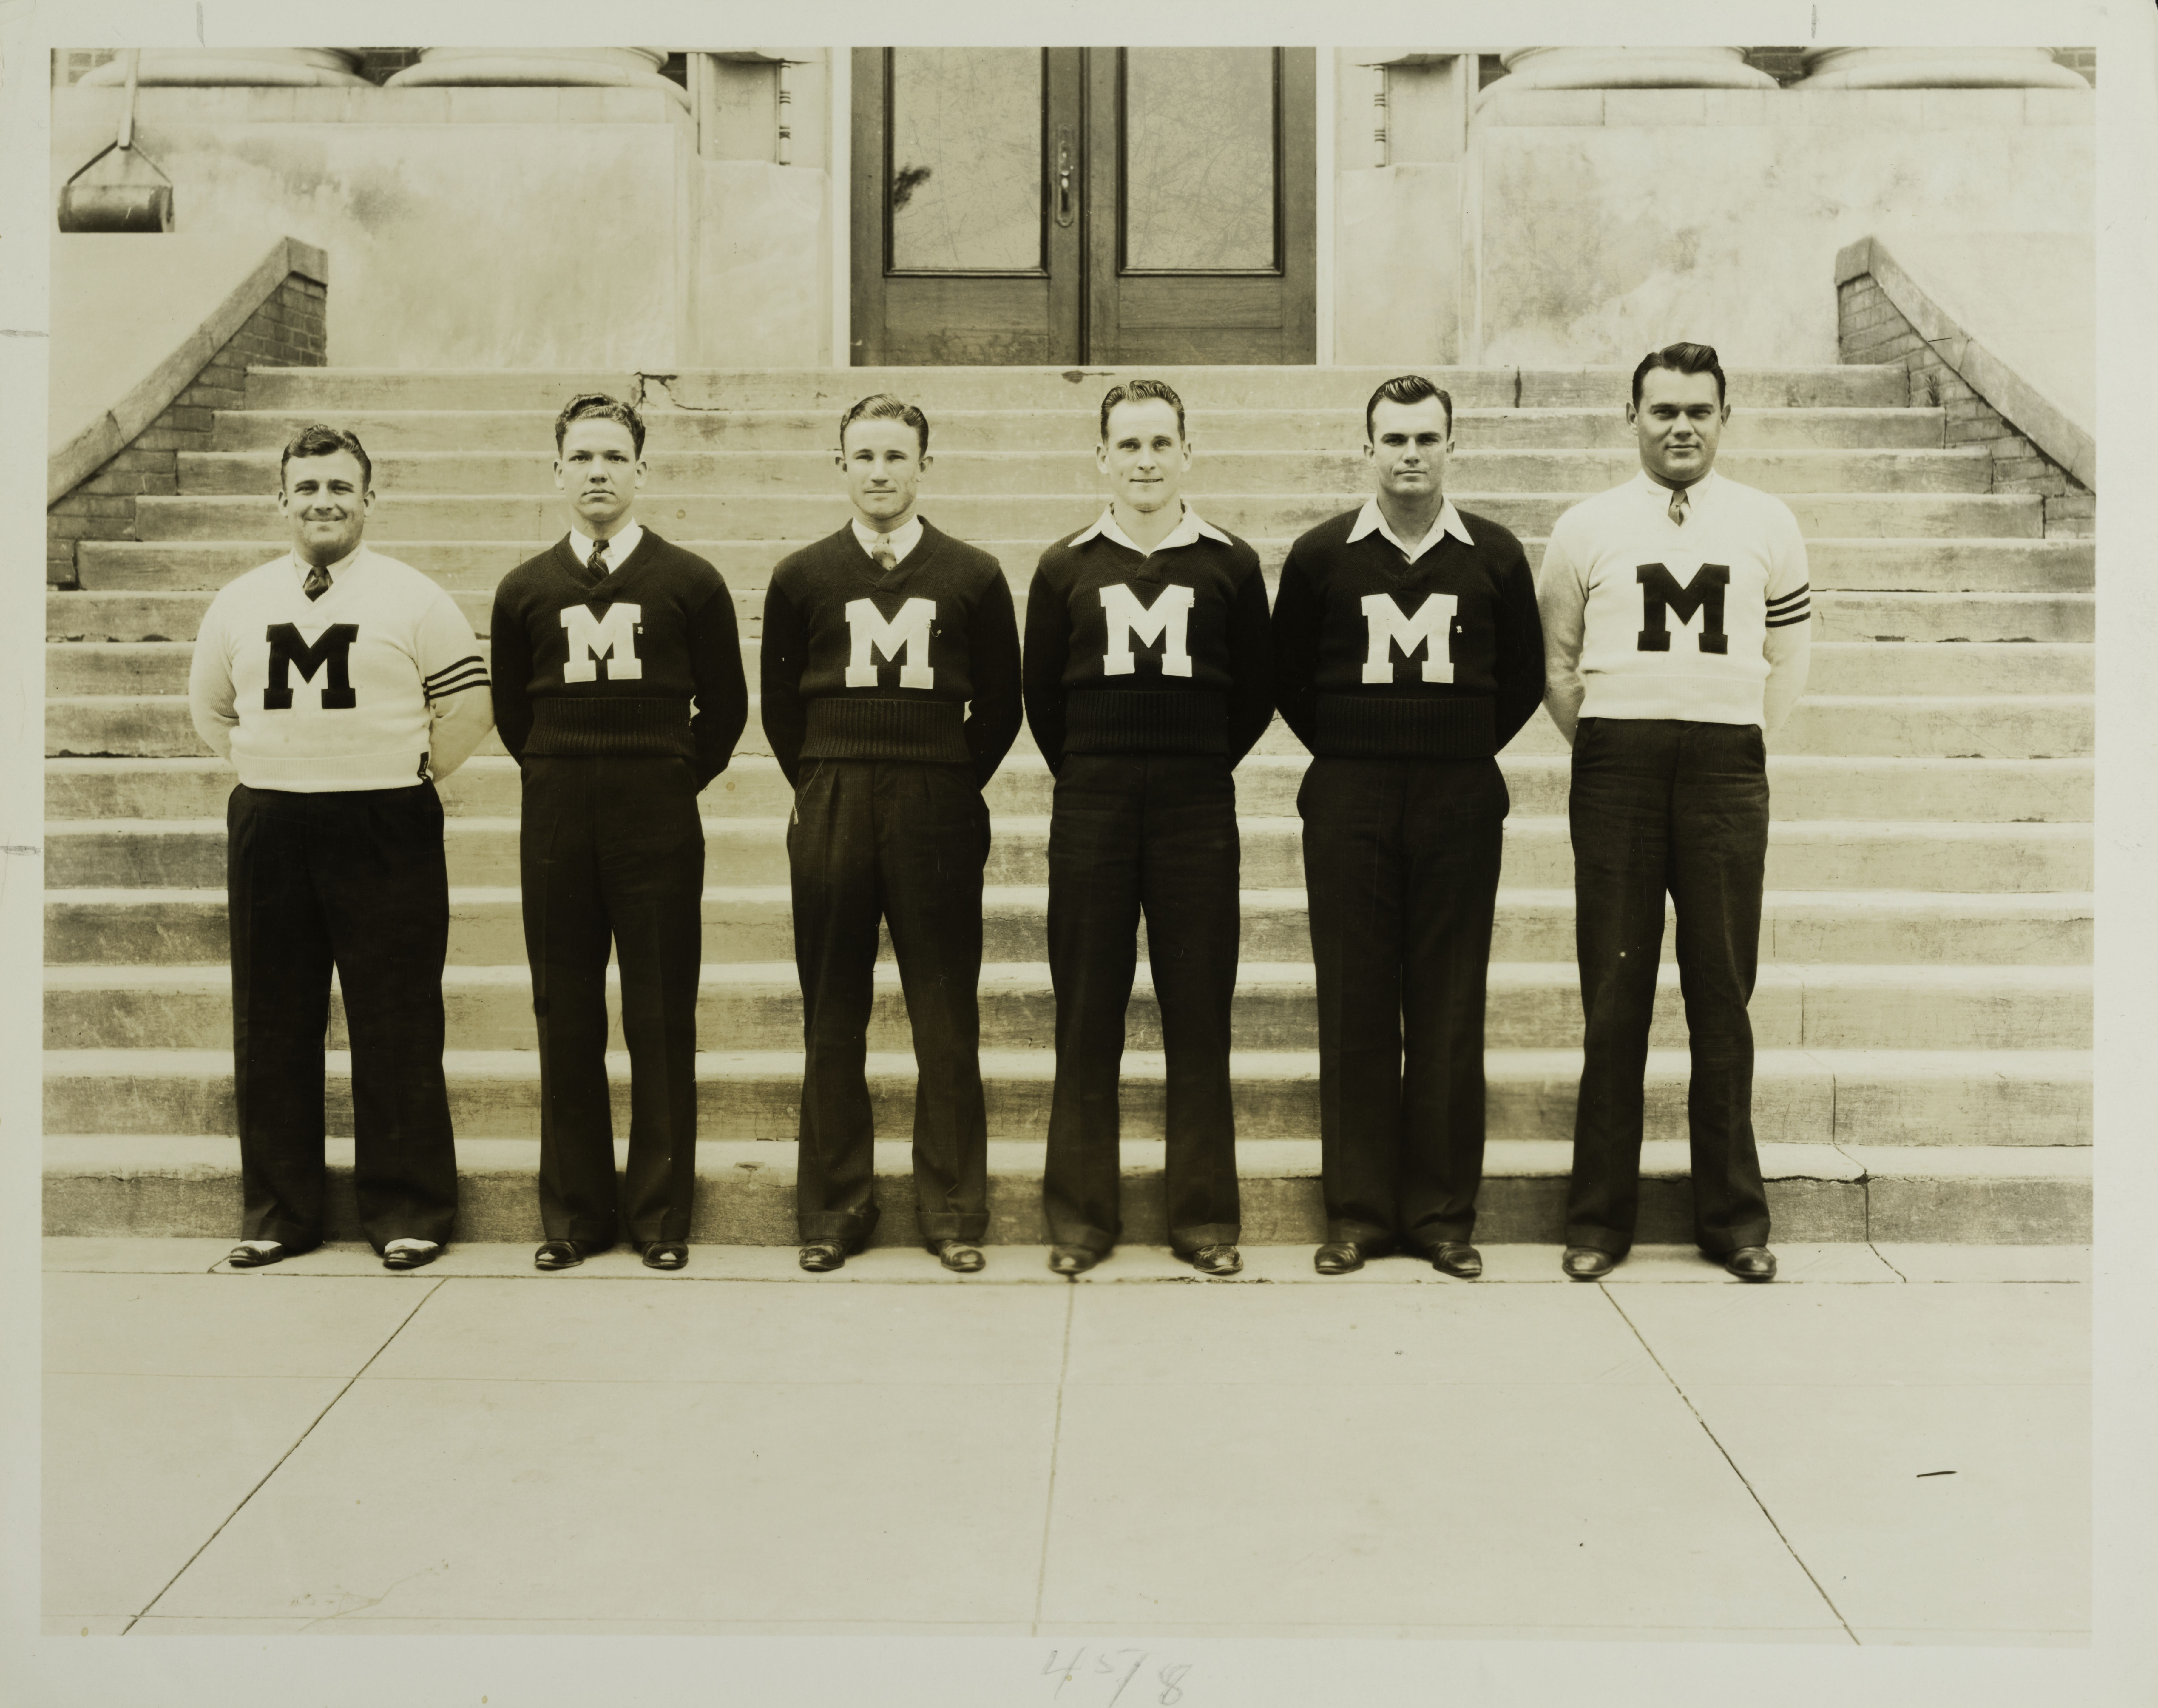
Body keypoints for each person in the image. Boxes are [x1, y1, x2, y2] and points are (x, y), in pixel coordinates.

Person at [188, 423, 493, 1273]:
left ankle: (407, 1211)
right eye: (308, 487)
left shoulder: (414, 597)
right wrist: (276, 767)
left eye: (340, 487)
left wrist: (402, 769)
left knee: (395, 1017)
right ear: (281, 499)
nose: (324, 501)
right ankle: (280, 1214)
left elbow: (469, 705)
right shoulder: (240, 600)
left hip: (383, 821)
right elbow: (211, 709)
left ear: (369, 497)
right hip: (273, 824)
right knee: (273, 1018)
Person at [1536, 342, 1811, 1282]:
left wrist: (1739, 736)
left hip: (1726, 768)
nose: (1681, 428)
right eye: (1663, 412)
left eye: (1698, 410)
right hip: (1618, 762)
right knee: (1614, 998)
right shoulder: (1586, 526)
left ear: (1723, 418)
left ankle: (1732, 1222)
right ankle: (1598, 1222)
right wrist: (1613, 744)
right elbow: (1557, 663)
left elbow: (1791, 651)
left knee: (1720, 997)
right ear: (1632, 417)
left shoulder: (1766, 522)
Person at [1272, 375, 1544, 1278]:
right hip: (1348, 797)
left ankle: (1438, 1217)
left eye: (1426, 439)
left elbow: (1520, 683)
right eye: (1394, 439)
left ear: (1450, 446)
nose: (1410, 455)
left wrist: (1453, 750)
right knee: (1354, 1002)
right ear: (1367, 448)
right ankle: (1353, 1215)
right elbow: (1288, 681)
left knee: (1447, 1004)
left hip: (1458, 798)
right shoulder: (1319, 557)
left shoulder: (1496, 556)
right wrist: (1357, 753)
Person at [761, 394, 1022, 1273]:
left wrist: (945, 778)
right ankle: (836, 1208)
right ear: (841, 466)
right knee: (832, 1012)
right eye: (864, 456)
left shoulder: (973, 574)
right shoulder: (802, 575)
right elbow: (776, 704)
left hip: (936, 803)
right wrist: (824, 780)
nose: (880, 472)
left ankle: (951, 1209)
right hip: (833, 796)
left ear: (924, 467)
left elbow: (1001, 704)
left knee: (944, 1014)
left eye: (896, 457)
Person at [489, 393, 748, 1273]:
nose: (597, 472)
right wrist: (568, 775)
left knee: (659, 1012)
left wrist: (666, 776)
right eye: (581, 457)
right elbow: (510, 714)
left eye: (613, 457)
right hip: (559, 817)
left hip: (657, 818)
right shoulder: (524, 588)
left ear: (640, 470)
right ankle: (573, 1216)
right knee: (564, 1012)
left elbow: (726, 710)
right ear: (556, 470)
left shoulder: (690, 581)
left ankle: (659, 1215)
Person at [1022, 379, 1273, 1277]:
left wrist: (1192, 765)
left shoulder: (1229, 564)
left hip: (1194, 807)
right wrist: (1098, 773)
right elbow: (1042, 699)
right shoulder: (1063, 567)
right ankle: (1081, 1222)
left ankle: (1203, 1220)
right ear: (1101, 457)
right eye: (1126, 445)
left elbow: (1253, 694)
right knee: (1086, 1011)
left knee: (1197, 1013)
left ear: (1186, 454)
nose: (1144, 462)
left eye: (1160, 444)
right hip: (1091, 805)